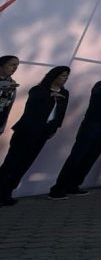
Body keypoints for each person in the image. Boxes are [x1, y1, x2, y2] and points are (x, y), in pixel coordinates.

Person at [50, 63, 101, 199]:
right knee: (78, 155)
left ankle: (74, 185)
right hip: (92, 124)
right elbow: (97, 102)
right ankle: (59, 188)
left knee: (91, 156)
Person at [0, 66, 69, 205]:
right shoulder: (39, 90)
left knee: (25, 164)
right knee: (12, 162)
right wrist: (49, 97)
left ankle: (7, 192)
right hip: (26, 132)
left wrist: (55, 128)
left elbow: (61, 113)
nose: (65, 78)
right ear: (54, 76)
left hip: (43, 133)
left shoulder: (64, 93)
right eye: (62, 75)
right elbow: (31, 107)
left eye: (66, 76)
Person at [0, 55, 20, 135]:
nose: (15, 68)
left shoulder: (12, 84)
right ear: (1, 65)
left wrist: (2, 127)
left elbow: (8, 107)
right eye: (12, 65)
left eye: (17, 65)